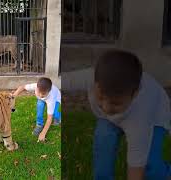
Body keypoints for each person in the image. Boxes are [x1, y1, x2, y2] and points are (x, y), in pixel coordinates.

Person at [63, 49, 171, 180]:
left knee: (150, 166)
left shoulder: (140, 119)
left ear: (134, 94)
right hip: (112, 119)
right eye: (100, 97)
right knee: (104, 142)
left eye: (115, 103)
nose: (106, 107)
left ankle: (165, 173)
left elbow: (136, 166)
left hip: (155, 117)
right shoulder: (92, 77)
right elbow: (63, 81)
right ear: (95, 82)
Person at [12, 77, 61, 142]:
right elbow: (22, 87)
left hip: (56, 98)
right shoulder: (35, 86)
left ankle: (58, 119)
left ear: (48, 92)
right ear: (37, 87)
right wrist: (13, 96)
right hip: (43, 100)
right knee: (40, 107)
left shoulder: (51, 98)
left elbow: (49, 118)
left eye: (43, 94)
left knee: (55, 113)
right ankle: (39, 124)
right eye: (39, 92)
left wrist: (43, 133)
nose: (40, 95)